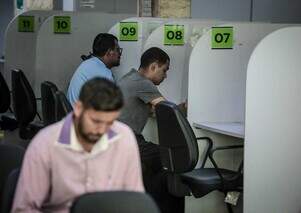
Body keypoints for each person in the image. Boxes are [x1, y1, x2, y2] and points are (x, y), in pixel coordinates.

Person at [12, 78, 144, 213]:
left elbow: (134, 200)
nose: (101, 130)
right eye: (95, 121)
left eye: (109, 122)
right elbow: (23, 209)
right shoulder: (45, 144)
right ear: (79, 108)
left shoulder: (124, 138)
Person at [118, 47, 184, 213]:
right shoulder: (142, 83)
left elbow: (156, 109)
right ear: (154, 66)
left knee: (154, 165)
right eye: (164, 70)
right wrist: (188, 106)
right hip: (127, 141)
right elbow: (168, 111)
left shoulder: (129, 78)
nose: (166, 75)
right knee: (172, 159)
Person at [67, 33, 122, 106]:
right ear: (109, 52)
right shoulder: (104, 74)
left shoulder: (88, 63)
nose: (120, 54)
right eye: (117, 50)